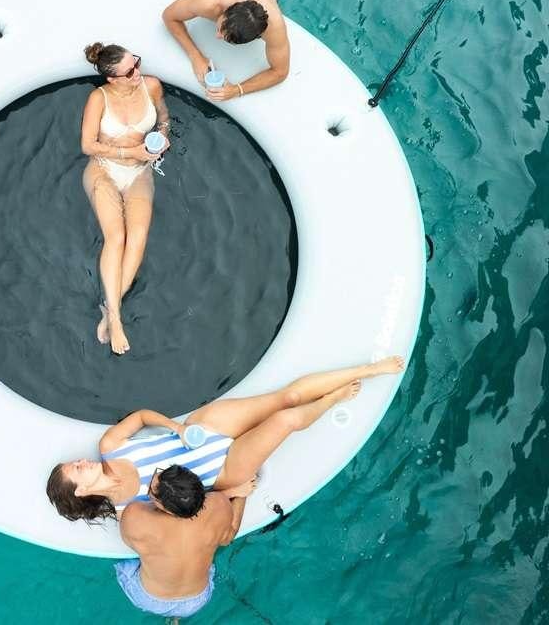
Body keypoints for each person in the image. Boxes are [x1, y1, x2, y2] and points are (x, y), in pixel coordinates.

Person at [45, 356, 405, 616]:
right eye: (76, 470)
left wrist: (177, 428)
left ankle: (368, 369)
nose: (82, 462)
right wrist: (233, 493)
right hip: (222, 471)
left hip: (202, 433)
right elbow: (184, 527)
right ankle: (330, 400)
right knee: (286, 421)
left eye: (76, 462)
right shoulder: (133, 513)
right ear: (81, 492)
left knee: (287, 398)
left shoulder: (110, 446)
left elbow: (140, 417)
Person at [81, 42, 171, 355]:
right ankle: (117, 321)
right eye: (130, 71)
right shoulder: (99, 98)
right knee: (116, 237)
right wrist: (130, 151)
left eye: (137, 64)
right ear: (112, 79)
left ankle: (109, 309)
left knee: (138, 236)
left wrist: (163, 136)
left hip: (138, 171)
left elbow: (163, 117)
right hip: (104, 170)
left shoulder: (151, 86)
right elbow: (87, 145)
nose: (137, 73)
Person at [161, 0, 290, 101]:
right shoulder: (210, 1)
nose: (217, 36)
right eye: (220, 28)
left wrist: (237, 90)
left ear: (259, 35)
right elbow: (169, 16)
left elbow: (280, 72)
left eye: (225, 37)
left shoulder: (274, 25)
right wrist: (196, 56)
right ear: (225, 11)